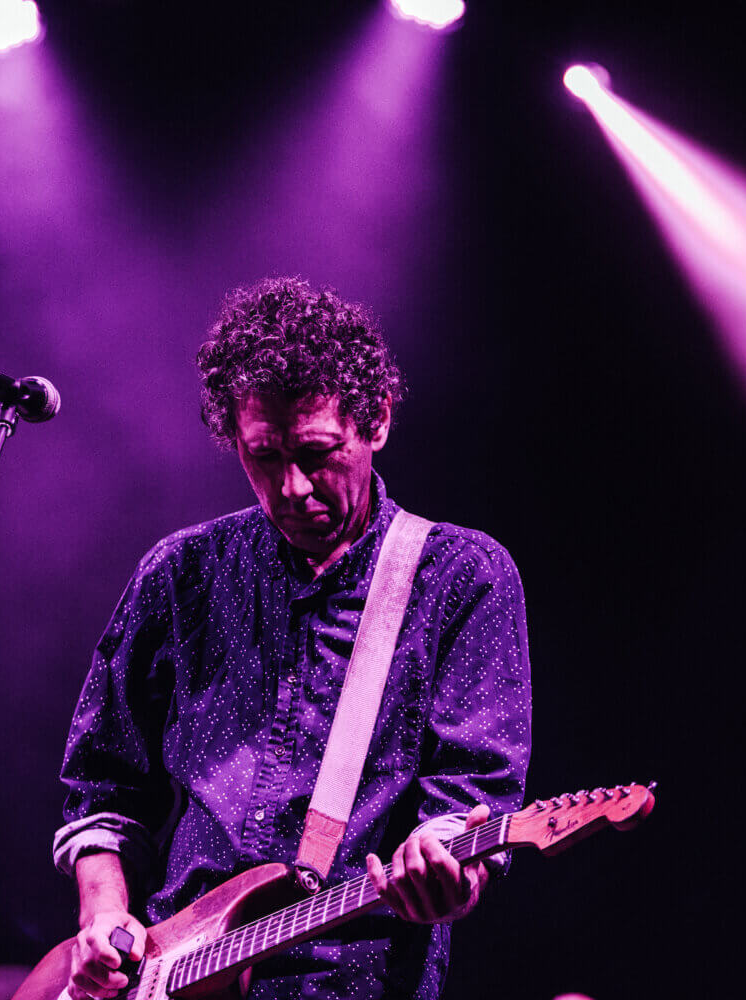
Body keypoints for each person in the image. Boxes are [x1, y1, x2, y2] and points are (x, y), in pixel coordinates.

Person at [53, 277, 532, 999]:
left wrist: (446, 869)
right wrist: (103, 917)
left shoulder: (460, 576)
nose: (293, 488)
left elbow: (471, 801)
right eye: (265, 457)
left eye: (316, 453)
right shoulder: (181, 574)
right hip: (169, 978)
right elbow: (103, 788)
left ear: (376, 421)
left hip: (352, 981)